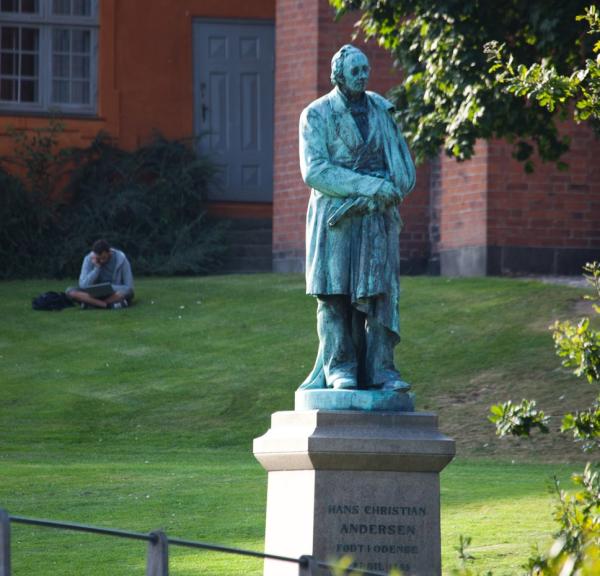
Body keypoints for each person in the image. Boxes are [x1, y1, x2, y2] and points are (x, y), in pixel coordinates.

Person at [298, 45, 416, 392]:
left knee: (382, 296)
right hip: (335, 218)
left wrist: (388, 189)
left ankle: (382, 368)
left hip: (376, 219)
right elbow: (315, 170)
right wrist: (370, 186)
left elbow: (402, 166)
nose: (363, 76)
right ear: (338, 75)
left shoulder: (381, 109)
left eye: (366, 69)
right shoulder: (316, 115)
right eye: (355, 71)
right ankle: (339, 368)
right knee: (333, 293)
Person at [67, 239, 134, 309]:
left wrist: (109, 287)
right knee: (70, 292)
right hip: (92, 293)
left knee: (126, 292)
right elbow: (83, 285)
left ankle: (93, 304)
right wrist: (97, 268)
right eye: (99, 259)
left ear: (109, 252)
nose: (102, 261)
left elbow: (129, 287)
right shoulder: (88, 259)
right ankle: (107, 305)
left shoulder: (121, 259)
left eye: (104, 258)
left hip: (113, 293)